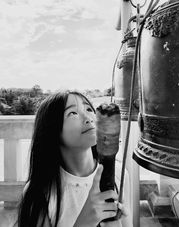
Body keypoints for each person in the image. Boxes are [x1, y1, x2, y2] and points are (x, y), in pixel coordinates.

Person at [17, 91, 132, 227]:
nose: (89, 118)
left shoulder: (119, 173)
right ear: (52, 130)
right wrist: (86, 221)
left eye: (89, 109)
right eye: (73, 113)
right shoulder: (40, 192)